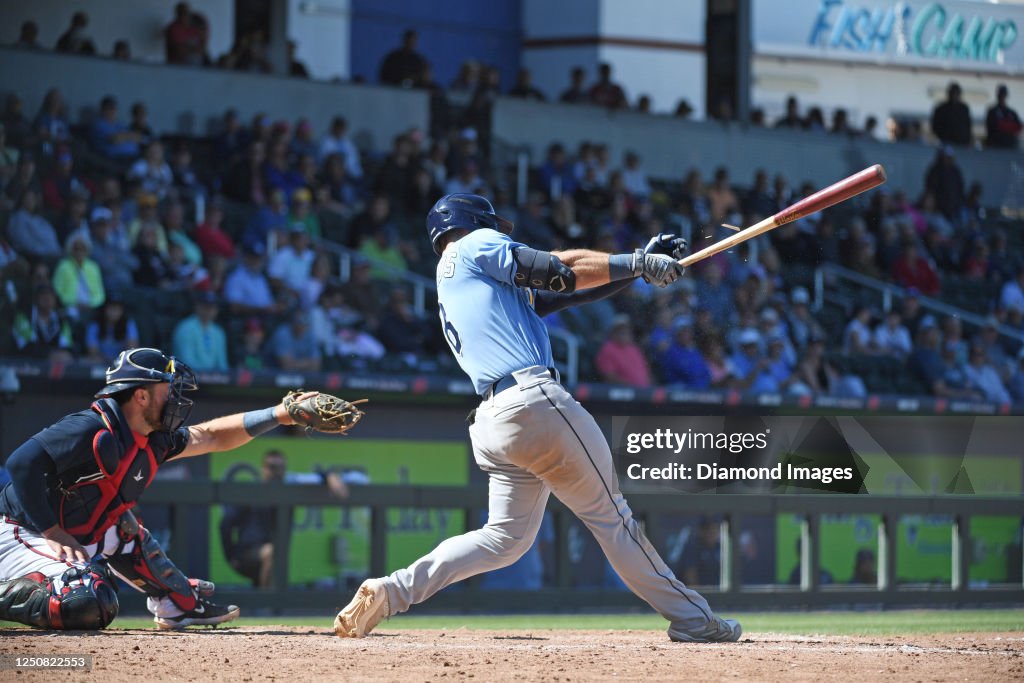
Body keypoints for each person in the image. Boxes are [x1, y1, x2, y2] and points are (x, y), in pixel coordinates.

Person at [334, 194, 741, 643]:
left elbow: (557, 295)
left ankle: (391, 591)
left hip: (493, 420)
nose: (502, 232)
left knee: (503, 539)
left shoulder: (461, 279)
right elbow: (556, 269)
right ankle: (692, 618)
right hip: (532, 402)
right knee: (614, 518)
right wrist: (637, 260)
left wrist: (637, 265)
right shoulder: (473, 245)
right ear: (474, 221)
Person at [0, 347, 327, 630]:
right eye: (166, 388)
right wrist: (53, 531)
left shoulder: (153, 439)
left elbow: (212, 435)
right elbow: (22, 463)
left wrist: (281, 414)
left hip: (69, 535)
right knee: (86, 599)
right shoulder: (91, 426)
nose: (175, 396)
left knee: (125, 528)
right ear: (141, 395)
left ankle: (177, 606)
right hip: (19, 531)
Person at [220, 449, 347, 587]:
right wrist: (230, 555)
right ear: (263, 469)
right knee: (271, 551)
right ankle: (267, 604)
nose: (276, 472)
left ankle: (268, 603)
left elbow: (317, 477)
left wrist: (330, 476)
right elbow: (225, 524)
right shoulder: (252, 492)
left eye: (281, 468)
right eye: (272, 467)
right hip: (246, 554)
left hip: (275, 558)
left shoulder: (290, 488)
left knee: (275, 555)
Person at [172, 292, 229, 371]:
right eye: (206, 306)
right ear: (197, 307)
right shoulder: (185, 328)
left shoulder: (218, 332)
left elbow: (222, 364)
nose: (210, 310)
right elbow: (186, 362)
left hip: (214, 380)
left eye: (213, 307)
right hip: (187, 379)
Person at [595, 314, 652, 387]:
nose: (625, 331)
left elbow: (646, 372)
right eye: (621, 329)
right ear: (614, 332)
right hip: (622, 393)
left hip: (643, 393)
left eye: (627, 329)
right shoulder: (607, 349)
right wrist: (633, 388)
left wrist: (650, 389)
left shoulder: (634, 348)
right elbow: (609, 376)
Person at [930, 82, 972, 147]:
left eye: (956, 93)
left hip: (962, 143)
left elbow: (968, 126)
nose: (954, 95)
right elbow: (935, 126)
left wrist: (967, 140)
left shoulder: (964, 109)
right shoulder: (941, 109)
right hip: (945, 142)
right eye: (952, 93)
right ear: (949, 94)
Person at [986, 84, 1022, 149]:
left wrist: (1005, 126)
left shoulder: (1012, 113)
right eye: (1000, 94)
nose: (1002, 96)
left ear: (1006, 95)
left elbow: (1018, 127)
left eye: (1003, 94)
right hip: (996, 146)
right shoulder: (992, 112)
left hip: (1010, 145)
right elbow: (992, 128)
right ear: (997, 95)